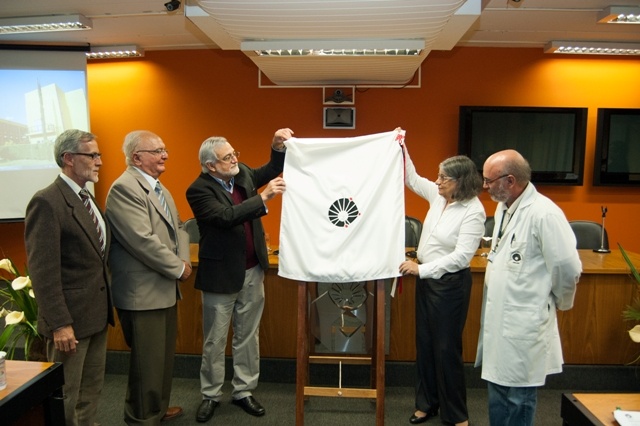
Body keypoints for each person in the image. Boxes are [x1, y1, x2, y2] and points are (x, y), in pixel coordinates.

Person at [186, 128, 292, 423]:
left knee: (248, 336)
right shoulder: (198, 189)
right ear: (210, 165)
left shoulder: (241, 172)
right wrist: (264, 197)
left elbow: (271, 169)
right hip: (220, 275)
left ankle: (243, 391)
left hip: (252, 269)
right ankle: (210, 395)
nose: (234, 159)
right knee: (214, 340)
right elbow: (224, 217)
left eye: (234, 154)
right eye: (227, 157)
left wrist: (276, 147)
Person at [475, 149, 581, 426]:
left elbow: (567, 268)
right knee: (497, 390)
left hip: (524, 320)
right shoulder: (504, 207)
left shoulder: (544, 214)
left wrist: (561, 302)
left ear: (510, 180)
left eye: (489, 181)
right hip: (502, 320)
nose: (485, 187)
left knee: (519, 398)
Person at [25, 129, 114, 426]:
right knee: (65, 396)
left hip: (97, 316)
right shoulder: (47, 202)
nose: (100, 161)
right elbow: (43, 272)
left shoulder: (86, 197)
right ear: (69, 159)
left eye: (99, 154)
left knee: (91, 390)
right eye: (93, 155)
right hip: (70, 324)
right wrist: (61, 324)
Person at [105, 130, 192, 425]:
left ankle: (155, 408)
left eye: (164, 149)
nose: (165, 155)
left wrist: (184, 259)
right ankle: (142, 418)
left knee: (161, 360)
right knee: (147, 364)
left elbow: (180, 227)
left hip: (163, 288)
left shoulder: (159, 188)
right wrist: (178, 268)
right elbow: (141, 240)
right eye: (157, 150)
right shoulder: (124, 188)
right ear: (136, 157)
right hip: (141, 293)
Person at [399, 144, 485, 426]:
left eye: (443, 178)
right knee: (424, 345)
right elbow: (411, 178)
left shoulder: (473, 211)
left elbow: (461, 257)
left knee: (446, 349)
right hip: (426, 282)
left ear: (459, 182)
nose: (436, 182)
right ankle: (426, 405)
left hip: (449, 286)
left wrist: (421, 269)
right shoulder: (438, 197)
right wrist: (402, 146)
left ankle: (457, 415)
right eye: (437, 176)